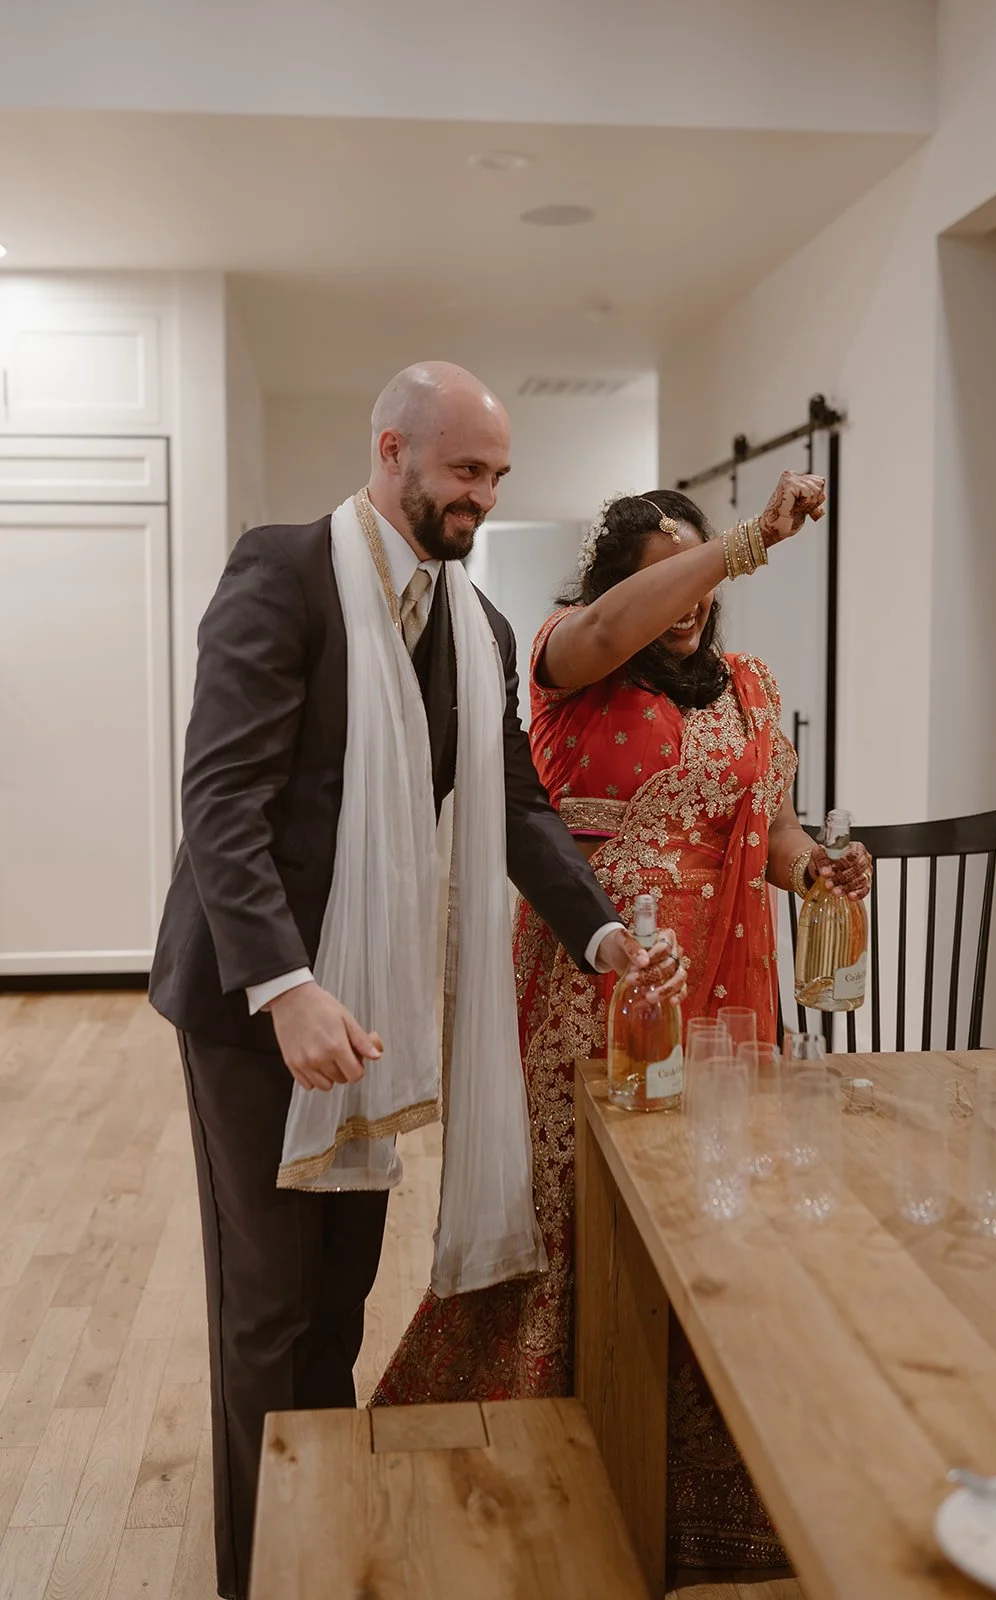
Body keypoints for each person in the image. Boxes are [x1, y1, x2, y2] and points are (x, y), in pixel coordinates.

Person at [148, 361, 684, 1600]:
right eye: (464, 470)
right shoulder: (278, 573)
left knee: (338, 1303)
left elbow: (521, 810)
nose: (482, 497)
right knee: (265, 1313)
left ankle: (314, 1538)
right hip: (255, 1003)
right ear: (390, 450)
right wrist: (285, 986)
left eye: (496, 475)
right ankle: (252, 1578)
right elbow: (220, 800)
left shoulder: (477, 626)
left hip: (374, 1003)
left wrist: (601, 938)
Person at [374, 474, 873, 1582]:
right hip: (589, 979)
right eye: (660, 577)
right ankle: (539, 1458)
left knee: (706, 1222)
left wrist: (815, 870)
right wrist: (743, 542)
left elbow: (773, 829)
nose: (686, 602)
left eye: (694, 576)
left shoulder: (748, 685)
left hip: (724, 997)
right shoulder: (567, 661)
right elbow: (612, 625)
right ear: (615, 584)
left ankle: (694, 1484)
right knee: (574, 1210)